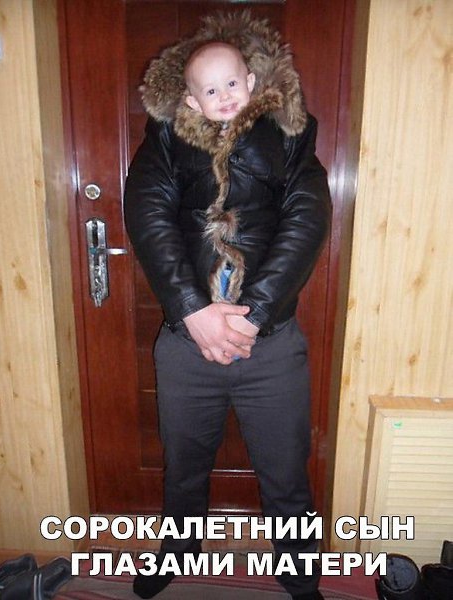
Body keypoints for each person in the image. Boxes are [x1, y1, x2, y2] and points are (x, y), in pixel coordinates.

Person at [124, 11, 331, 600]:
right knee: (184, 468)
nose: (224, 96)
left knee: (286, 473)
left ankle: (299, 570)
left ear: (253, 80)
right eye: (209, 89)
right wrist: (191, 309)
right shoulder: (166, 137)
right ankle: (180, 548)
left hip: (272, 341)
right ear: (189, 99)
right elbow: (147, 212)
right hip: (185, 341)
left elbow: (307, 219)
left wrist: (256, 314)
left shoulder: (291, 132)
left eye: (232, 83)